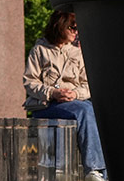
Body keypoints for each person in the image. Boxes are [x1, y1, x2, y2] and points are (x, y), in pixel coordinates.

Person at [24, 10, 108, 181]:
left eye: (78, 29)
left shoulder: (77, 53)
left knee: (91, 108)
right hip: (46, 104)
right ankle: (94, 169)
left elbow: (87, 85)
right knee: (85, 110)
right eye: (72, 27)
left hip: (74, 103)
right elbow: (29, 82)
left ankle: (100, 172)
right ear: (60, 26)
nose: (76, 32)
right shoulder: (40, 50)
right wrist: (53, 92)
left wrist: (75, 93)